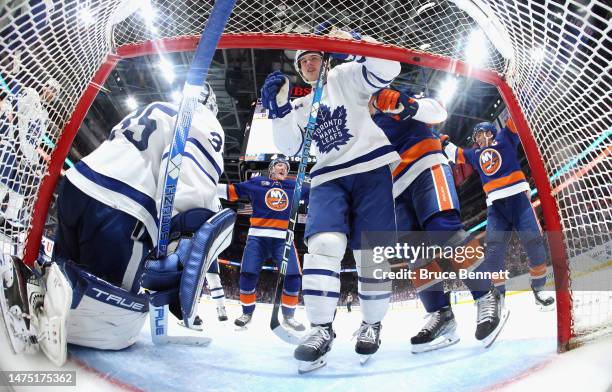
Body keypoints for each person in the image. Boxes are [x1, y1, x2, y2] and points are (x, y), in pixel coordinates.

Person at [48, 82, 235, 351]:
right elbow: (187, 171)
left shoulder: (152, 107)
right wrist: (177, 240)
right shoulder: (203, 117)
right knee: (102, 322)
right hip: (122, 206)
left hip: (78, 183)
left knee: (61, 279)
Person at [261, 25, 401, 372]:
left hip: (370, 167)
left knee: (371, 252)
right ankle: (321, 329)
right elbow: (288, 147)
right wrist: (278, 112)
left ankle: (371, 324)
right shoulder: (299, 105)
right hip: (326, 178)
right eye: (303, 60)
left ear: (326, 59)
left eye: (314, 57)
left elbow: (389, 67)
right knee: (323, 244)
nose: (309, 63)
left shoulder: (346, 75)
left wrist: (354, 40)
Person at [370, 88, 509, 352]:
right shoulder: (357, 120)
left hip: (426, 166)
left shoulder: (393, 94)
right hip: (393, 189)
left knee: (444, 233)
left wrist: (406, 104)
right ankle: (441, 315)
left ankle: (486, 294)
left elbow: (437, 109)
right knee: (415, 254)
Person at [442, 119, 555, 310]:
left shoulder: (505, 137)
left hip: (519, 199)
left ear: (490, 131)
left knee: (534, 242)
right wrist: (441, 140)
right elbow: (455, 153)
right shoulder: (474, 153)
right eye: (476, 136)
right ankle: (499, 296)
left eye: (480, 133)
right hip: (496, 206)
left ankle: (538, 288)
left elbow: (514, 118)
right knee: (493, 251)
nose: (477, 138)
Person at [217, 156, 307, 331]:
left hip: (283, 238)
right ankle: (247, 313)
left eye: (286, 167)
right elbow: (231, 191)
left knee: (293, 276)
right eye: (280, 165)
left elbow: (319, 190)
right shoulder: (258, 182)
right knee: (248, 274)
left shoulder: (294, 185)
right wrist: (205, 186)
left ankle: (289, 316)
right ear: (272, 169)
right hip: (257, 237)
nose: (283, 169)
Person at [0, 78, 59, 227]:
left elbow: (35, 142)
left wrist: (35, 164)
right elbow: (11, 107)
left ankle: (10, 223)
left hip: (25, 157)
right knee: (2, 183)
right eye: (50, 88)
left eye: (54, 92)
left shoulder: (44, 115)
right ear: (44, 87)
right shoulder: (31, 94)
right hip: (12, 147)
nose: (50, 93)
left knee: (18, 193)